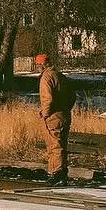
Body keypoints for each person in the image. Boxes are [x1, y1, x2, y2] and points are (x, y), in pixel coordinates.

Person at [36, 52, 74, 186]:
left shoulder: (46, 77)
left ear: (41, 64)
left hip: (53, 117)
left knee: (54, 146)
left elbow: (48, 99)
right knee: (61, 145)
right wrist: (66, 109)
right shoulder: (60, 76)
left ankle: (55, 174)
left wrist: (45, 114)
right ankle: (61, 173)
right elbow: (72, 96)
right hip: (64, 115)